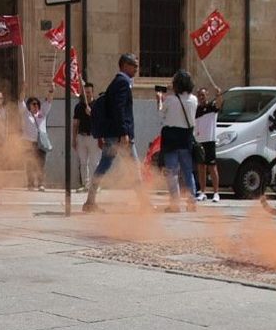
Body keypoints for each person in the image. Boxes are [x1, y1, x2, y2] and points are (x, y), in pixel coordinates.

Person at [83, 53, 148, 212]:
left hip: (113, 133)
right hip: (120, 135)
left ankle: (90, 201)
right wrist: (124, 132)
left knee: (104, 165)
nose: (136, 69)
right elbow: (119, 110)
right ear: (125, 65)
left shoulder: (117, 82)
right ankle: (144, 203)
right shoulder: (122, 83)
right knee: (133, 167)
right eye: (134, 66)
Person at [159, 70, 199, 211]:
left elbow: (161, 112)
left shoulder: (170, 100)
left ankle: (174, 203)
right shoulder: (194, 100)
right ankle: (191, 201)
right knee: (188, 171)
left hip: (171, 138)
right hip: (186, 138)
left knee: (172, 172)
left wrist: (160, 99)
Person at [194, 85, 222, 202]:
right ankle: (203, 192)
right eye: (199, 95)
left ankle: (216, 193)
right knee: (201, 167)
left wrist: (219, 94)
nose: (201, 97)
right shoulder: (196, 109)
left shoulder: (212, 106)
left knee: (212, 167)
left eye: (203, 95)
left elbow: (220, 103)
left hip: (210, 140)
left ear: (207, 96)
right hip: (199, 141)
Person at [71, 81, 99, 188]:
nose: (87, 94)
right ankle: (85, 184)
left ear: (92, 92)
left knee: (94, 163)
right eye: (85, 92)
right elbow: (75, 123)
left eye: (89, 92)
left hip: (94, 137)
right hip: (81, 137)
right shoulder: (79, 106)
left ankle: (94, 185)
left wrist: (91, 113)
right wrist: (74, 139)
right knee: (83, 162)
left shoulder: (97, 105)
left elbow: (100, 121)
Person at [20, 95, 50, 190]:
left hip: (40, 143)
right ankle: (31, 183)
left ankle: (41, 183)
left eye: (37, 104)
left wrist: (51, 90)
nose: (36, 105)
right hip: (28, 142)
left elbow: (49, 100)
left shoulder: (42, 114)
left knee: (41, 164)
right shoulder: (25, 113)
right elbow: (21, 100)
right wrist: (23, 88)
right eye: (33, 104)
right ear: (29, 105)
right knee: (30, 164)